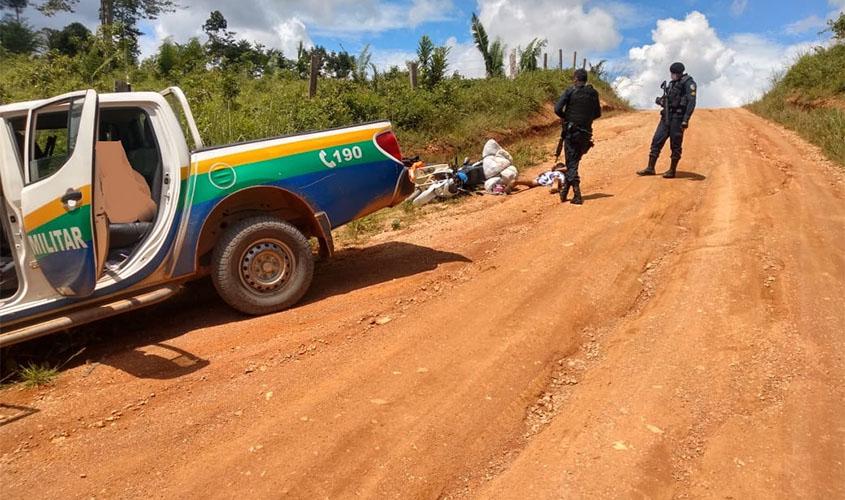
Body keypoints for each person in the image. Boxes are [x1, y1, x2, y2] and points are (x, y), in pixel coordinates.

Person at [637, 62, 697, 178]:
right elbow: (668, 100)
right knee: (656, 141)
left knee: (675, 145)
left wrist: (686, 119)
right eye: (671, 73)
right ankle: (650, 168)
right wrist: (660, 101)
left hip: (678, 118)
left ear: (680, 73)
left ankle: (672, 170)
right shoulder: (671, 84)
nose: (672, 75)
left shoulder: (689, 83)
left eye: (674, 73)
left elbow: (691, 102)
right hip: (666, 117)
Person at [554, 68, 602, 204]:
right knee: (573, 162)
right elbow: (598, 114)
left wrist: (567, 117)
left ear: (575, 79)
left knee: (571, 163)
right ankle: (564, 192)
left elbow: (557, 109)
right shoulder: (593, 93)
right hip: (586, 134)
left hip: (571, 133)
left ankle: (577, 194)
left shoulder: (570, 91)